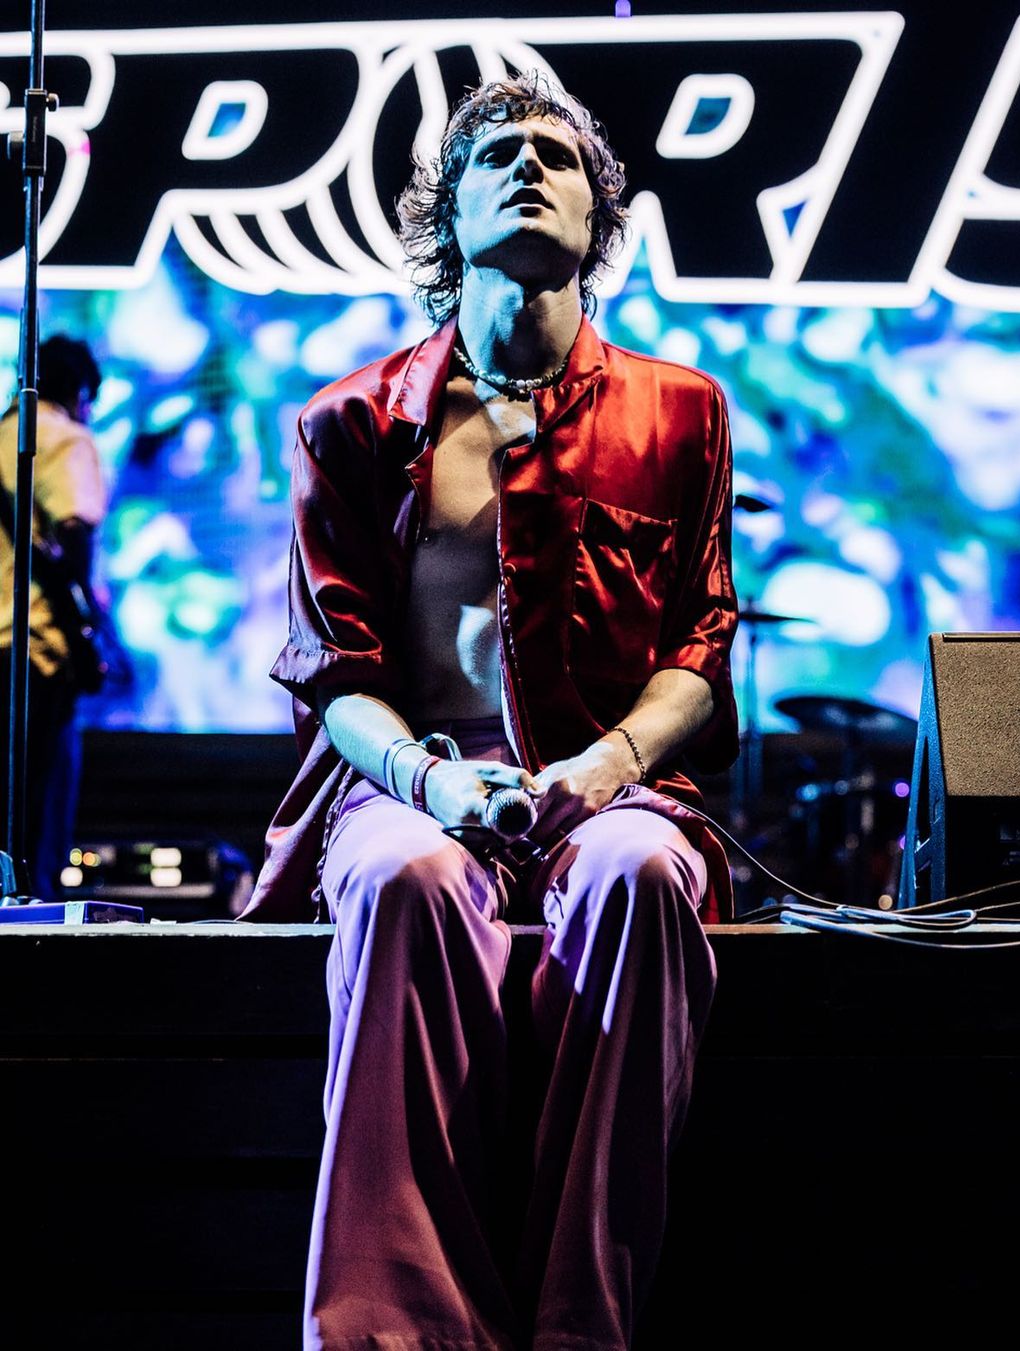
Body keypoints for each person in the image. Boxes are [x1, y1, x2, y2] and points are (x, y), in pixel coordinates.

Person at [243, 73, 739, 1350]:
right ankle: (398, 1331)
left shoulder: (683, 410)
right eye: (498, 153)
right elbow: (337, 673)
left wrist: (606, 766)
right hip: (410, 786)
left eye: (557, 156)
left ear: (600, 218)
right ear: (446, 213)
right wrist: (431, 782)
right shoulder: (352, 419)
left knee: (639, 873)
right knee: (404, 877)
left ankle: (584, 1320)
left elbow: (701, 644)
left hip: (609, 788)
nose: (529, 166)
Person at [0, 335, 107, 900]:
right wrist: (93, 621)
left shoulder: (1, 435)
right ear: (80, 392)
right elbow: (74, 528)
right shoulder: (63, 437)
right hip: (33, 654)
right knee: (37, 829)